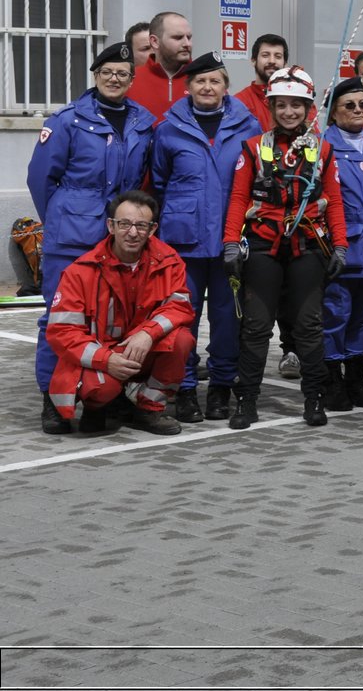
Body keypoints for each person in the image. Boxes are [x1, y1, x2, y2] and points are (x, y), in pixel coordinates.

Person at [28, 41, 156, 435]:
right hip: (72, 237)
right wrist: (68, 215)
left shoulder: (142, 122)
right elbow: (40, 179)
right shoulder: (67, 120)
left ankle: (106, 396)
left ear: (132, 80)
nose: (115, 79)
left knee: (113, 320)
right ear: (95, 76)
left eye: (122, 73)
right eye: (107, 73)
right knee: (61, 318)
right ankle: (54, 398)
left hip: (119, 237)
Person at [222, 66, 347, 429]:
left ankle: (314, 398)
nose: (289, 112)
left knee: (309, 325)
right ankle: (246, 400)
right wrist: (231, 243)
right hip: (263, 245)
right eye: (282, 105)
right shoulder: (254, 148)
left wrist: (340, 246)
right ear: (271, 107)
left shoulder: (322, 149)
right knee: (257, 326)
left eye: (297, 105)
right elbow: (238, 199)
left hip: (307, 245)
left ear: (309, 108)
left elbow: (334, 201)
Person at [149, 50, 258, 423]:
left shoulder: (249, 128)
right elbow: (160, 184)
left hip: (231, 241)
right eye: (200, 81)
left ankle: (221, 388)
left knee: (229, 318)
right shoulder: (168, 130)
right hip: (184, 242)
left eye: (215, 80)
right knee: (183, 318)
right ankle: (183, 388)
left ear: (227, 87)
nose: (207, 87)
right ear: (188, 87)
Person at [45, 191, 195, 436]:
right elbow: (62, 331)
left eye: (141, 225)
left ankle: (149, 408)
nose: (133, 232)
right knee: (98, 389)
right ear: (110, 226)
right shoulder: (81, 271)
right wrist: (106, 359)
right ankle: (100, 406)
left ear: (153, 229)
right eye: (124, 224)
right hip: (102, 354)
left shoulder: (169, 261)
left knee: (181, 340)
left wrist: (148, 333)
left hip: (143, 347)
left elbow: (179, 305)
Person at [319, 76, 363, 412]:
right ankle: (332, 378)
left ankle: (355, 378)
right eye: (350, 105)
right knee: (336, 313)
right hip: (343, 247)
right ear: (333, 113)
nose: (359, 110)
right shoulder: (323, 146)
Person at [236, 34, 318, 131]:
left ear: (285, 63)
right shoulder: (239, 102)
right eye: (265, 55)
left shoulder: (302, 96)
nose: (272, 61)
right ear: (253, 61)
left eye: (278, 56)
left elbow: (314, 137)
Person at [127, 11, 192, 119]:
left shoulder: (205, 78)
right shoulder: (129, 80)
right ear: (155, 42)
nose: (187, 44)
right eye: (177, 37)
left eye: (189, 37)